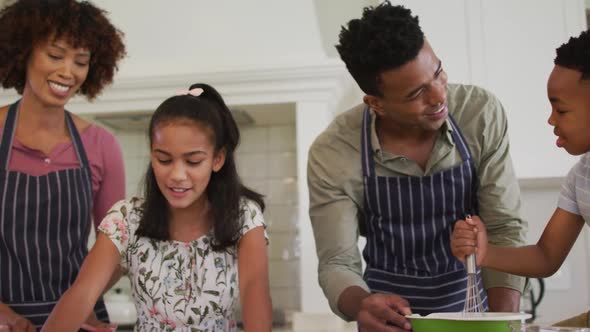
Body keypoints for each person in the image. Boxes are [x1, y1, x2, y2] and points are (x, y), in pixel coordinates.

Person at [307, 2, 528, 331]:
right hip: (391, 320)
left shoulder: (479, 113)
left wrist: (500, 323)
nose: (439, 96)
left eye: (438, 73)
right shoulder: (335, 152)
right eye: (417, 93)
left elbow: (504, 229)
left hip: (473, 312)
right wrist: (363, 305)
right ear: (376, 104)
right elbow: (337, 262)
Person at [42, 83, 273, 331]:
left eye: (193, 161)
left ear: (217, 159)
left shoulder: (243, 217)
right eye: (164, 159)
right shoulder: (127, 218)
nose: (177, 174)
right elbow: (82, 292)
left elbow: (254, 292)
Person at [0, 0, 126, 330]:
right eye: (55, 56)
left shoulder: (101, 145)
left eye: (81, 61)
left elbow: (116, 247)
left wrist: (78, 306)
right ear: (23, 51)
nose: (68, 72)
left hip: (82, 320)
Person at [451, 29, 590, 328]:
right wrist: (486, 253)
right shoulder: (580, 179)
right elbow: (545, 257)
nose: (551, 119)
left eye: (561, 109)